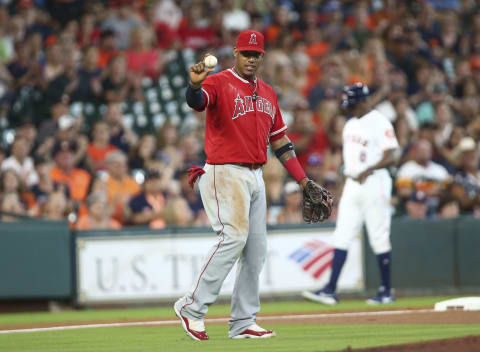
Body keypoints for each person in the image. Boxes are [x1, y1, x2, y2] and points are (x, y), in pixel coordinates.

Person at [173, 30, 331, 341]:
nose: (251, 59)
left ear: (262, 57)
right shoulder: (218, 81)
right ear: (236, 53)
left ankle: (243, 320)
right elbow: (197, 102)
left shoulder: (269, 93)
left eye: (256, 54)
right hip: (224, 171)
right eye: (246, 53)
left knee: (256, 251)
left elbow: (281, 142)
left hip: (256, 174)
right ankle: (191, 308)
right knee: (233, 237)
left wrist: (302, 180)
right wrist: (194, 83)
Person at [302, 82, 399, 306]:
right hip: (354, 184)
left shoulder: (379, 121)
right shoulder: (350, 124)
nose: (351, 108)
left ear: (365, 101)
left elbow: (392, 154)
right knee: (342, 235)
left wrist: (369, 169)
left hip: (375, 181)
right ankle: (330, 290)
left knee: (378, 236)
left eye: (354, 104)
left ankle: (386, 290)